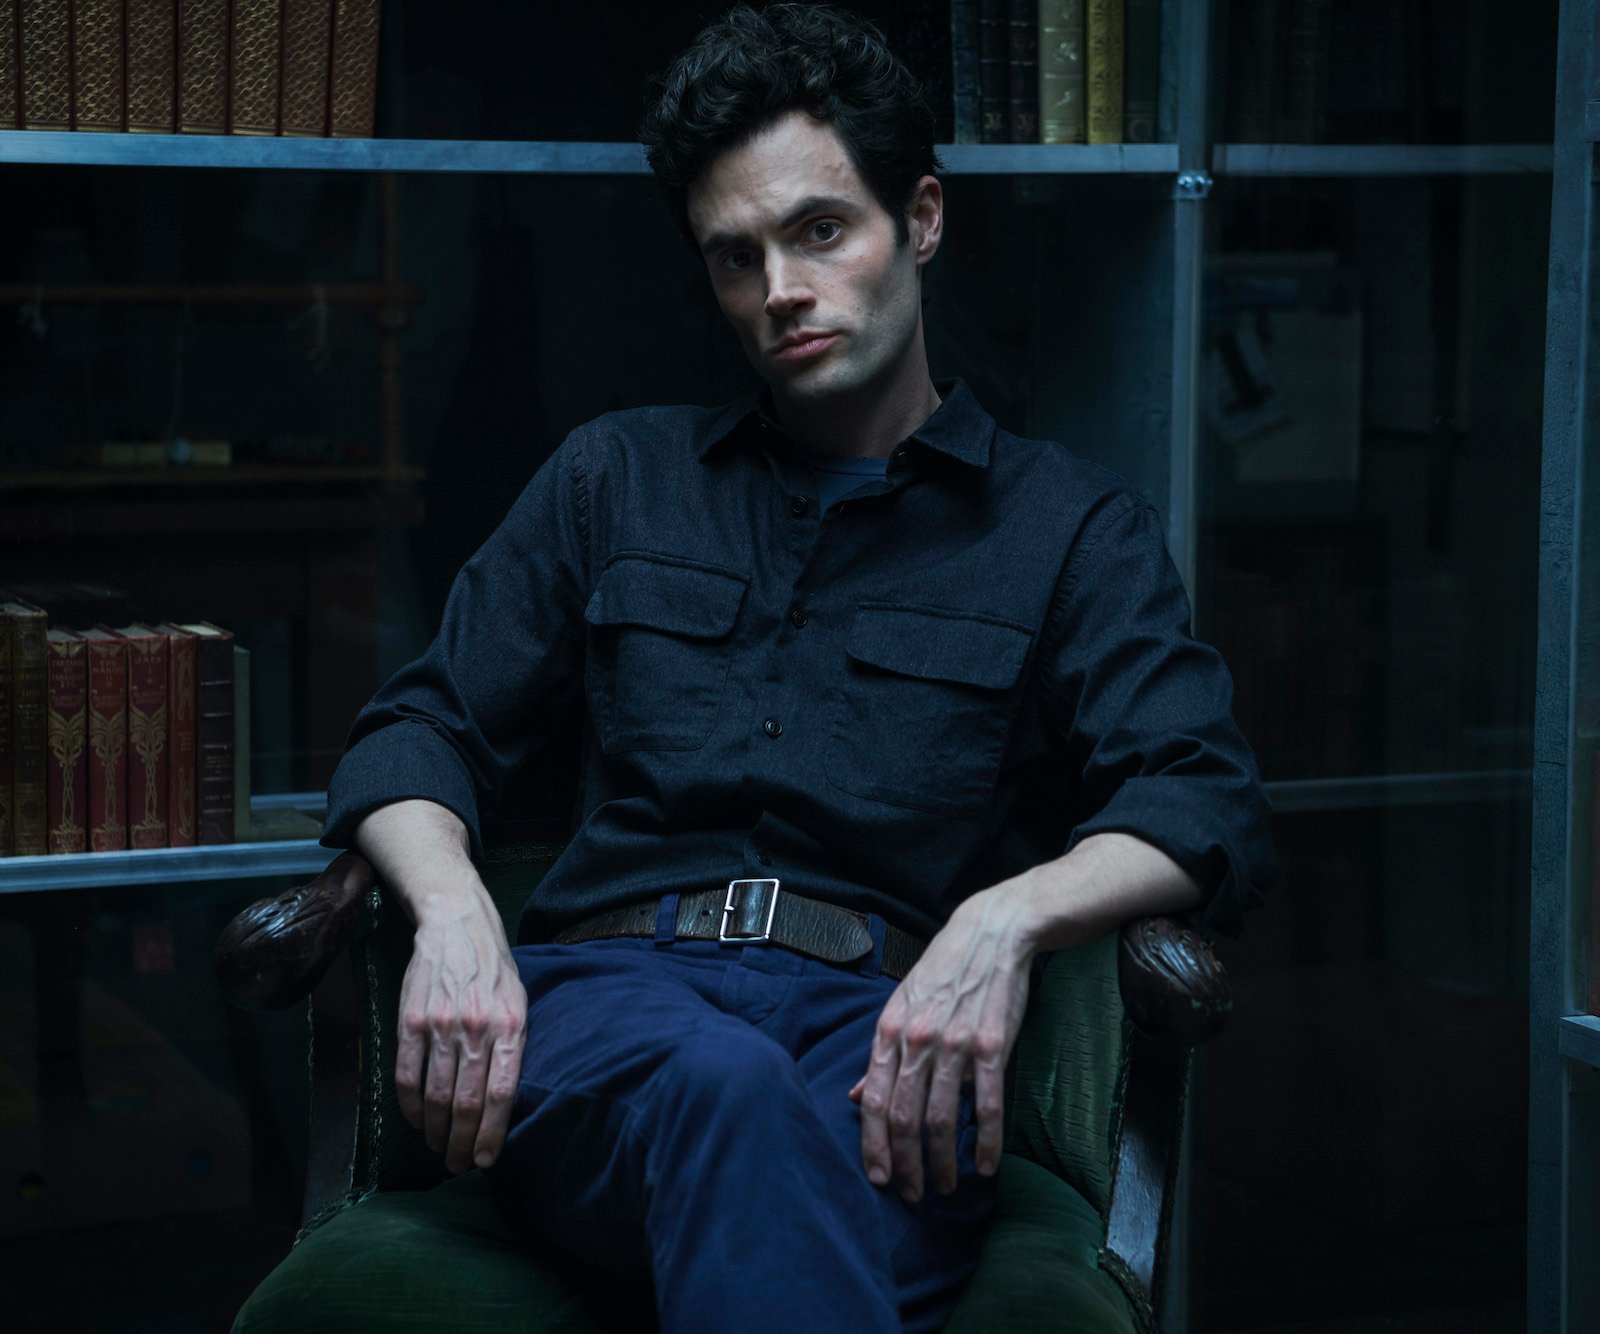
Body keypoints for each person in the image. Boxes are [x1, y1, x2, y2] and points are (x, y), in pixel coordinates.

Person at [320, 5, 1276, 1330]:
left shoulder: (1067, 532)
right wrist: (456, 915)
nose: (779, 288)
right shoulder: (614, 478)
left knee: (793, 1165)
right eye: (736, 256)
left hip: (883, 1051)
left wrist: (999, 924)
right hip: (610, 1023)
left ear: (921, 219)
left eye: (820, 229)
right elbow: (418, 727)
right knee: (721, 1089)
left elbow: (1200, 795)